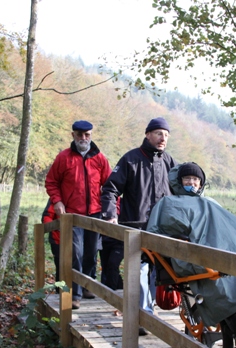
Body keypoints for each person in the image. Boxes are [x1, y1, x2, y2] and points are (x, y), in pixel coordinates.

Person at [146, 162, 236, 334]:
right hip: (192, 254)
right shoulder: (169, 202)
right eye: (187, 178)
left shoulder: (210, 202)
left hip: (217, 252)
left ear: (201, 183)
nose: (192, 182)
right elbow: (160, 230)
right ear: (179, 182)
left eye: (196, 179)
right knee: (218, 273)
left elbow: (223, 226)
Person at [101, 117, 177, 335]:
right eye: (159, 133)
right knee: (141, 271)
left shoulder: (170, 162)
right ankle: (143, 317)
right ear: (148, 134)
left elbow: (180, 193)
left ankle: (147, 311)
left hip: (163, 228)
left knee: (157, 273)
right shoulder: (131, 159)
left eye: (166, 135)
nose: (163, 138)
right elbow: (110, 189)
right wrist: (110, 215)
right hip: (136, 227)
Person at [45, 120, 112, 310]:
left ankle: (88, 285)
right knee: (76, 252)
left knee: (91, 253)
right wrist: (57, 201)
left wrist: (110, 209)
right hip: (71, 215)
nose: (84, 138)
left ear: (91, 135)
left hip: (95, 214)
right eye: (80, 134)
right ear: (73, 135)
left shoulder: (99, 158)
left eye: (87, 135)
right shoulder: (63, 157)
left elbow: (109, 186)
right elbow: (51, 182)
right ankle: (74, 293)